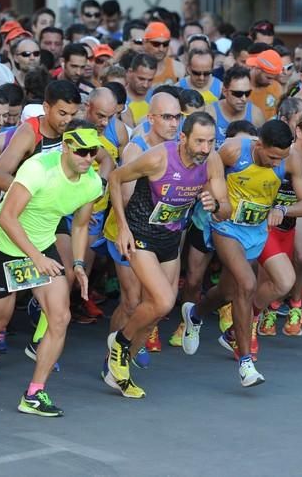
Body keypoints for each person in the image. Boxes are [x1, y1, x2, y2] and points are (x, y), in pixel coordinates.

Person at [0, 121, 102, 416]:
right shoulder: (38, 168)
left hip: (42, 247)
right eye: (82, 152)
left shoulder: (92, 182)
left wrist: (77, 264)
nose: (88, 159)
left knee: (60, 318)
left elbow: (81, 225)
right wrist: (36, 258)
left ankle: (35, 394)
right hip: (6, 244)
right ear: (66, 147)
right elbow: (8, 218)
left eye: (94, 153)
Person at [103, 112, 230, 397]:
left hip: (170, 237)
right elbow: (114, 178)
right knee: (162, 301)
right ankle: (120, 344)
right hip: (140, 232)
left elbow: (226, 211)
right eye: (199, 141)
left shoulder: (212, 161)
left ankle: (119, 369)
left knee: (157, 312)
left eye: (210, 142)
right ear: (182, 137)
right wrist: (122, 227)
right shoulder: (157, 158)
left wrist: (215, 204)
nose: (205, 149)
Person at [185, 120, 302, 387]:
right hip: (225, 226)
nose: (277, 164)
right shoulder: (233, 151)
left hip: (256, 231)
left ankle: (194, 314)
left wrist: (284, 210)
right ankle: (245, 362)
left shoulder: (290, 160)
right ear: (258, 144)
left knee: (232, 290)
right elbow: (208, 173)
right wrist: (213, 199)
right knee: (247, 285)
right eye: (273, 157)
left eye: (282, 158)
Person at [256, 110, 302, 339]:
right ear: (299, 131)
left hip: (295, 211)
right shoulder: (283, 152)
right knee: (266, 267)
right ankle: (268, 308)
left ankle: (296, 304)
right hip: (269, 210)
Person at [205, 66, 264, 148]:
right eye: (238, 94)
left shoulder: (256, 115)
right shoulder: (210, 114)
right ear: (225, 92)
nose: (243, 99)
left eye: (247, 93)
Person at [144, 22, 185, 87]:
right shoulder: (134, 68)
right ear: (145, 43)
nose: (161, 49)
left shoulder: (178, 68)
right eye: (156, 44)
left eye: (165, 44)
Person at [246, 49, 283, 121]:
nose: (271, 82)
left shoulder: (277, 87)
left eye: (274, 78)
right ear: (257, 69)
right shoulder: (241, 89)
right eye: (268, 78)